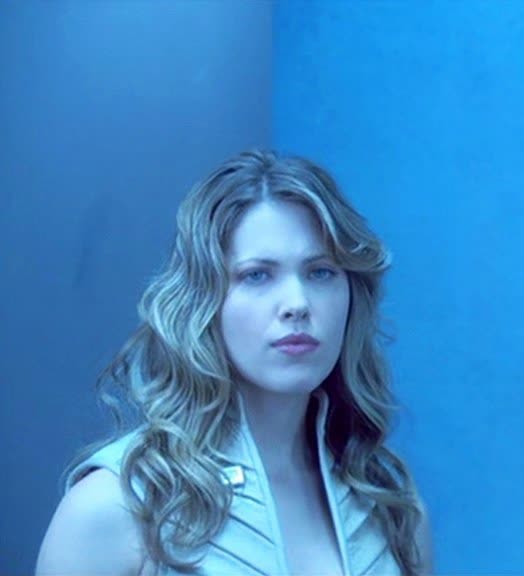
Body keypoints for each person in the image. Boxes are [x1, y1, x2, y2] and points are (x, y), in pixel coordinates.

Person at [36, 150, 430, 575]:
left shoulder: (388, 501)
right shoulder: (113, 507)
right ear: (202, 301)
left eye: (320, 272)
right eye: (257, 275)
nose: (297, 303)